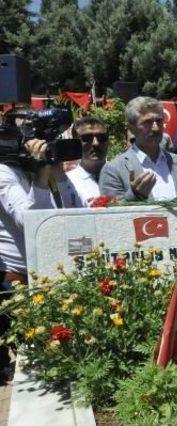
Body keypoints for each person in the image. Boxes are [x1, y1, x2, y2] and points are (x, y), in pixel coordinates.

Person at [0, 134, 54, 382]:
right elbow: (27, 219)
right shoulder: (3, 173)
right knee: (35, 363)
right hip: (18, 280)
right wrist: (42, 175)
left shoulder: (23, 169)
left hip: (43, 272)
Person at [99, 96, 177, 201]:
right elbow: (111, 213)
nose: (156, 128)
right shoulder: (114, 170)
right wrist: (135, 195)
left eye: (159, 121)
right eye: (147, 122)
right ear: (131, 129)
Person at [66, 116, 109, 206]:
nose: (95, 143)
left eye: (101, 138)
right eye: (87, 138)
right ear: (75, 143)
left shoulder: (122, 175)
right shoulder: (68, 182)